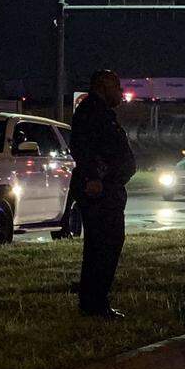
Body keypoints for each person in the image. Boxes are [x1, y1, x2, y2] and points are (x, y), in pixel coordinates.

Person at [69, 70, 137, 318]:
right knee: (103, 246)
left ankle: (95, 301)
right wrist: (93, 178)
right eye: (116, 86)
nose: (120, 91)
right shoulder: (91, 113)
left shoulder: (103, 114)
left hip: (109, 188)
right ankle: (94, 304)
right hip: (100, 191)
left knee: (106, 245)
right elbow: (83, 149)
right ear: (103, 86)